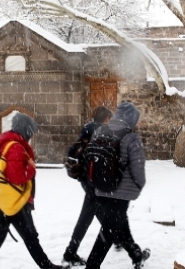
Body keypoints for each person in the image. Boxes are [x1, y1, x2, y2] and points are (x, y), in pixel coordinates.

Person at [0, 113, 65, 269]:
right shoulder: (16, 146)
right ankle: (47, 266)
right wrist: (31, 167)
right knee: (29, 236)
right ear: (25, 129)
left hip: (5, 198)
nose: (31, 134)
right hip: (15, 199)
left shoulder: (9, 143)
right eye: (30, 130)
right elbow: (16, 176)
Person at [85, 102, 150, 269]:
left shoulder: (101, 130)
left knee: (119, 223)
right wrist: (138, 185)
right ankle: (91, 266)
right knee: (109, 229)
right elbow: (138, 167)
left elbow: (91, 157)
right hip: (121, 191)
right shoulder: (131, 136)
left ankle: (136, 255)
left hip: (101, 187)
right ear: (131, 119)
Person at [62, 106, 113, 266]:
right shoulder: (102, 131)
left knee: (91, 213)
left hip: (86, 179)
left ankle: (71, 252)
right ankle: (70, 253)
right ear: (106, 118)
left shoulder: (87, 129)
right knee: (93, 217)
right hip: (95, 182)